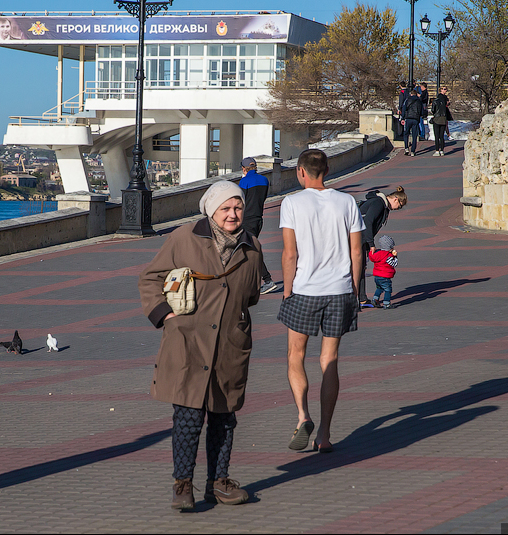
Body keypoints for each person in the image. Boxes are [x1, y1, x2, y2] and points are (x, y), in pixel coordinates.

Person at [138, 180, 262, 510]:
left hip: (229, 347)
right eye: (226, 208)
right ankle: (182, 485)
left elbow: (251, 296)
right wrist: (166, 316)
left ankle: (218, 483)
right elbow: (150, 278)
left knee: (224, 418)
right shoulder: (184, 238)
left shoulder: (251, 246)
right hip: (187, 342)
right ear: (211, 210)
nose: (233, 214)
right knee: (189, 417)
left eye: (237, 207)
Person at [278, 149, 364, 453]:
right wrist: (354, 290)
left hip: (304, 289)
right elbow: (357, 252)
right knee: (329, 360)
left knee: (295, 355)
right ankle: (324, 434)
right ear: (326, 170)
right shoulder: (347, 202)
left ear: (301, 172)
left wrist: (287, 289)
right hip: (340, 290)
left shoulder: (292, 203)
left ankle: (303, 415)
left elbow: (290, 253)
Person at [357, 186, 407, 307]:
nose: (398, 209)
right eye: (399, 206)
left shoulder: (381, 205)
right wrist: (371, 244)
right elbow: (367, 222)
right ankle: (354, 299)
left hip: (360, 239)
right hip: (356, 239)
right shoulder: (378, 203)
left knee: (360, 268)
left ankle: (362, 298)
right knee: (356, 268)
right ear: (395, 199)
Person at [239, 157, 278, 294]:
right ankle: (249, 281)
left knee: (250, 250)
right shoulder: (264, 180)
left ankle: (267, 280)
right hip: (258, 219)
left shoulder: (244, 182)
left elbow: (241, 202)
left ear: (244, 169)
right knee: (246, 249)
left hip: (246, 221)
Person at [369, 235, 399, 309]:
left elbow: (372, 257)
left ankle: (375, 299)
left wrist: (371, 252)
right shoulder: (388, 256)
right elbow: (394, 264)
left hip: (377, 276)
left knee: (379, 288)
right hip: (385, 276)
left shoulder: (378, 253)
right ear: (389, 248)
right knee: (388, 290)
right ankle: (386, 303)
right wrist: (395, 256)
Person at [430, 86, 453, 156]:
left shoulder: (435, 101)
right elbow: (446, 110)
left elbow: (433, 110)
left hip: (437, 119)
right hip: (443, 118)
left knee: (437, 136)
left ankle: (437, 150)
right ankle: (442, 150)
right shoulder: (445, 102)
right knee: (441, 136)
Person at [401, 88, 424, 156]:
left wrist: (403, 118)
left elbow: (404, 109)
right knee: (414, 136)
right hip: (416, 119)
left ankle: (406, 148)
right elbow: (422, 111)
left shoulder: (407, 100)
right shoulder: (419, 101)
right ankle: (413, 151)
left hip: (408, 118)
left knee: (406, 134)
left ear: (410, 94)